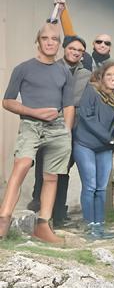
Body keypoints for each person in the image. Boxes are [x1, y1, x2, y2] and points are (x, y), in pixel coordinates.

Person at [0, 24, 76, 243]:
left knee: (51, 177)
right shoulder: (23, 68)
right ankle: (3, 219)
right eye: (45, 38)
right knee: (21, 165)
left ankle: (43, 225)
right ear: (38, 41)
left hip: (57, 129)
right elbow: (7, 101)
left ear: (59, 44)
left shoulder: (64, 71)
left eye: (54, 39)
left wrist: (66, 131)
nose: (50, 42)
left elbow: (69, 104)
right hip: (31, 125)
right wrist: (34, 112)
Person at [29, 32, 91, 228]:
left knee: (63, 171)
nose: (75, 52)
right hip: (49, 125)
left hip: (74, 128)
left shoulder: (86, 74)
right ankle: (38, 212)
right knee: (43, 169)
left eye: (80, 50)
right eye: (72, 48)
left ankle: (58, 215)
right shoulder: (51, 68)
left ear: (83, 54)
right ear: (64, 49)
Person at [72, 60, 114, 239]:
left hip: (105, 147)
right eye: (109, 75)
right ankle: (89, 226)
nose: (113, 78)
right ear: (101, 76)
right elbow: (86, 116)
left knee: (101, 188)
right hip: (86, 144)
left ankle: (100, 226)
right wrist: (110, 139)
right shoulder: (92, 90)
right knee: (90, 186)